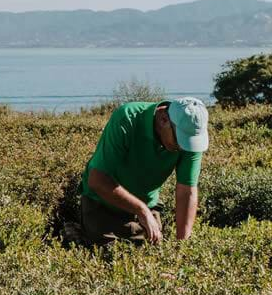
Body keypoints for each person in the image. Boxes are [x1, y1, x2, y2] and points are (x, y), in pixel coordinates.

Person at [77, 97, 209, 246]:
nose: (183, 148)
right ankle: (75, 231)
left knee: (153, 252)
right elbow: (97, 180)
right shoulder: (127, 117)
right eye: (179, 141)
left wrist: (182, 246)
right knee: (110, 253)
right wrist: (142, 211)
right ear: (164, 120)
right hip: (102, 204)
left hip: (147, 205)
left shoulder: (189, 137)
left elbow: (187, 191)